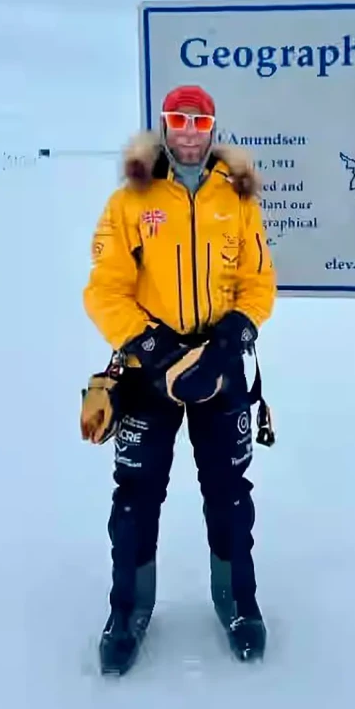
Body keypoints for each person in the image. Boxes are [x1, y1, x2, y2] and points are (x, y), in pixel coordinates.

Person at [79, 84, 277, 676]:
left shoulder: (237, 198)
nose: (189, 131)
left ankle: (237, 602)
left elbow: (259, 282)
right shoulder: (131, 201)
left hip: (219, 369)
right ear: (163, 125)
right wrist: (151, 346)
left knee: (229, 493)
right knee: (136, 499)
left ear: (213, 127)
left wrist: (230, 338)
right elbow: (105, 289)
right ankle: (129, 609)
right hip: (147, 372)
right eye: (178, 119)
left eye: (200, 120)